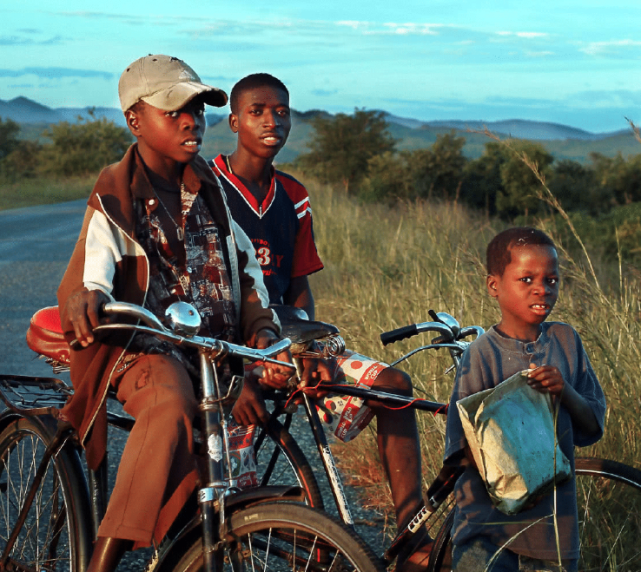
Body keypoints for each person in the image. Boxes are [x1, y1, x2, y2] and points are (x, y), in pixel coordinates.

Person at [56, 55, 288, 572]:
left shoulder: (211, 191)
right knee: (168, 408)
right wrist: (89, 293)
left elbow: (244, 266)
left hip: (208, 349)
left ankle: (196, 545)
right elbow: (95, 263)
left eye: (198, 111)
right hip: (142, 350)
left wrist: (262, 325)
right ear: (135, 120)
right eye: (174, 111)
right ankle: (104, 560)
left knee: (276, 402)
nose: (191, 122)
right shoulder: (116, 192)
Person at [210, 73, 431, 571]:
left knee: (394, 386)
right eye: (258, 111)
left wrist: (312, 348)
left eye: (282, 111)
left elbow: (300, 286)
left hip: (288, 345)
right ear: (233, 121)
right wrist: (241, 371)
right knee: (234, 503)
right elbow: (204, 294)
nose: (272, 120)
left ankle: (410, 536)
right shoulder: (208, 187)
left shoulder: (294, 194)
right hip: (232, 353)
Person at [444, 227, 606, 572]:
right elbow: (461, 448)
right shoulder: (481, 355)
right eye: (526, 278)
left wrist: (564, 391)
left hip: (553, 533)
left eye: (552, 280)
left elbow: (592, 426)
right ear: (494, 286)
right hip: (488, 532)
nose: (542, 289)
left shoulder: (566, 341)